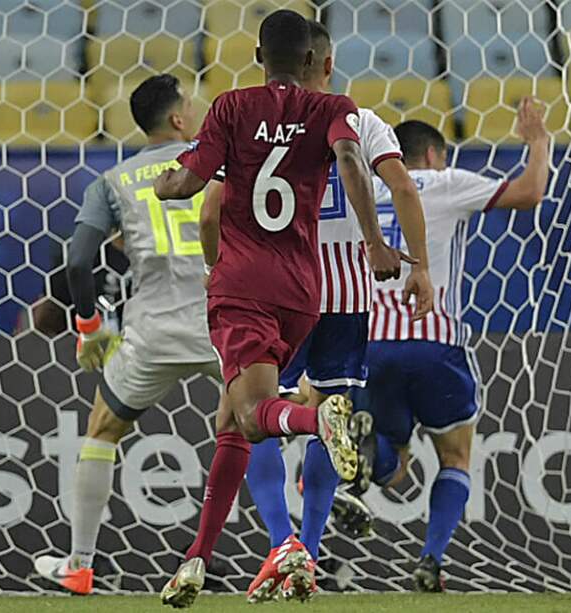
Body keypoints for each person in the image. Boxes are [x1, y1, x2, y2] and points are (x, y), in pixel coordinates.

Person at [152, 10, 408, 608]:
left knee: (251, 416)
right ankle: (198, 560)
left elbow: (193, 191)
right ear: (316, 60)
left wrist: (165, 183)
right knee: (231, 419)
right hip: (303, 293)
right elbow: (350, 163)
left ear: (259, 55)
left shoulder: (233, 108)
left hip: (243, 284)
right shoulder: (332, 108)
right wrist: (374, 243)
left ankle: (316, 424)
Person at [223, 20, 434, 603]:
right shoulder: (361, 122)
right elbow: (406, 190)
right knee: (330, 412)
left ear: (266, 58)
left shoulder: (253, 124)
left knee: (251, 415)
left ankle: (279, 543)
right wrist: (419, 269)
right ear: (328, 60)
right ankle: (309, 556)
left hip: (277, 288)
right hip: (345, 294)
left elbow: (216, 202)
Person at [342, 104, 551, 592]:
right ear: (434, 153)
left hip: (371, 346)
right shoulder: (445, 181)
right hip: (434, 341)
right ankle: (431, 560)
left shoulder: (362, 192)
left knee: (392, 468)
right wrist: (538, 142)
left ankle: (371, 456)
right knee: (455, 457)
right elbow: (529, 191)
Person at [32, 74, 217, 596]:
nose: (196, 107)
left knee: (102, 429)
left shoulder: (112, 180)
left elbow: (77, 261)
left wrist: (90, 328)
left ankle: (80, 564)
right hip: (223, 323)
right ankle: (290, 547)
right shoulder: (220, 164)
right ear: (179, 118)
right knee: (261, 420)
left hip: (152, 331)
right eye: (190, 102)